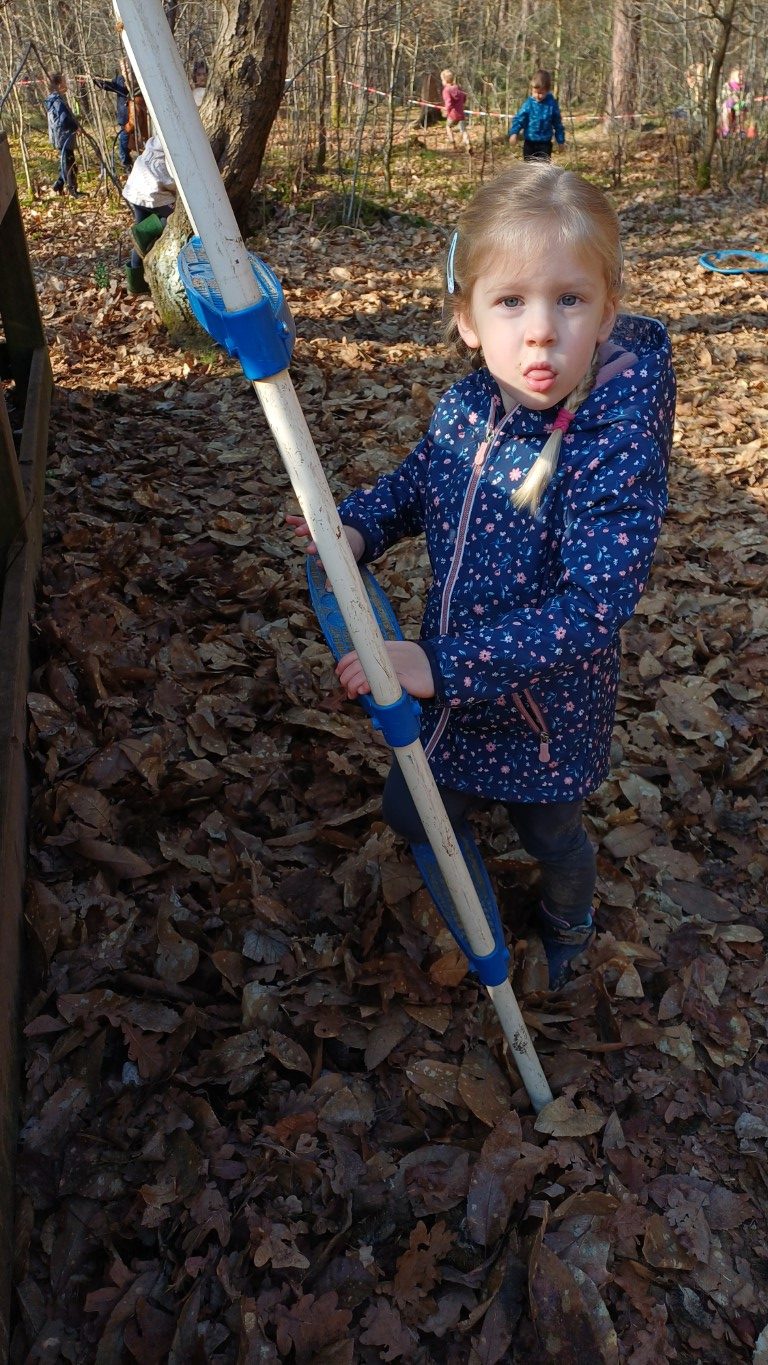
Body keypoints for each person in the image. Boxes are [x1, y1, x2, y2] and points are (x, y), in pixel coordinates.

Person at [288, 164, 675, 989]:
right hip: (456, 695)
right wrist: (359, 525)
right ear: (466, 318)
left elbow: (593, 605)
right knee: (411, 809)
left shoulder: (611, 443)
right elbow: (418, 482)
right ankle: (468, 892)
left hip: (547, 710)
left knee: (548, 835)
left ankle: (568, 920)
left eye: (569, 299)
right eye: (511, 301)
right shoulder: (466, 409)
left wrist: (441, 665)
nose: (541, 332)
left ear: (607, 311)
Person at [122, 135, 176, 293]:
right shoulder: (170, 152)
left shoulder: (155, 143)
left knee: (140, 243)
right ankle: (142, 233)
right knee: (172, 218)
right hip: (154, 194)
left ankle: (135, 285)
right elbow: (171, 181)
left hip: (137, 191)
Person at [508, 69, 564, 161]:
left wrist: (560, 141)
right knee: (529, 167)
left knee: (543, 167)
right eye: (535, 92)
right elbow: (519, 119)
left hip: (545, 144)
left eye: (541, 93)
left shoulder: (551, 105)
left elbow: (558, 124)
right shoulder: (528, 104)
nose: (538, 95)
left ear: (547, 90)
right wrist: (514, 133)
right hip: (530, 143)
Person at [44, 72, 81, 196]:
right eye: (64, 81)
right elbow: (64, 119)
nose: (67, 84)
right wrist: (76, 126)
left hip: (61, 136)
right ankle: (72, 191)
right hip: (63, 137)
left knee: (66, 162)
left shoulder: (55, 99)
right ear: (59, 85)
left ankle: (58, 186)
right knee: (70, 165)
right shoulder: (57, 101)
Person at [93, 70, 133, 171]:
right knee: (124, 139)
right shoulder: (120, 79)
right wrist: (96, 79)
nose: (126, 70)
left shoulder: (138, 78)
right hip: (125, 117)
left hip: (139, 116)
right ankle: (127, 164)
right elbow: (108, 86)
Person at [440, 69, 472, 152]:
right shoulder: (457, 88)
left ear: (445, 80)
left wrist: (446, 111)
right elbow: (464, 96)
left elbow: (448, 103)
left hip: (453, 114)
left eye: (442, 80)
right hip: (461, 112)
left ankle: (452, 143)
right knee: (463, 130)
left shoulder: (446, 90)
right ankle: (468, 144)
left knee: (448, 126)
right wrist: (461, 103)